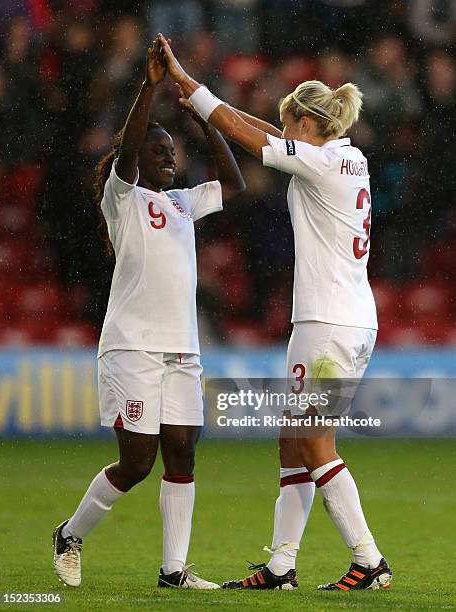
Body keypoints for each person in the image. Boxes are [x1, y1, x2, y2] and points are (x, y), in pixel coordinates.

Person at [159, 33, 392, 592]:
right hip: (346, 320)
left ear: (309, 127)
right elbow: (265, 136)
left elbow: (260, 143)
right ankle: (281, 567)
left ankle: (369, 558)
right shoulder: (345, 157)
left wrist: (189, 85)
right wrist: (207, 106)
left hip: (327, 324)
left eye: (290, 125)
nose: (283, 133)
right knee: (293, 441)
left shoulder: (323, 165)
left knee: (313, 441)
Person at [52, 36, 245, 590]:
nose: (169, 156)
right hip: (132, 345)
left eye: (172, 152)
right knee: (137, 462)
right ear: (136, 160)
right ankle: (70, 533)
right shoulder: (124, 199)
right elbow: (131, 150)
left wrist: (203, 116)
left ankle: (174, 571)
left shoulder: (184, 203)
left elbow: (233, 184)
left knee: (182, 453)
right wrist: (150, 89)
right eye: (159, 151)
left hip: (182, 348)